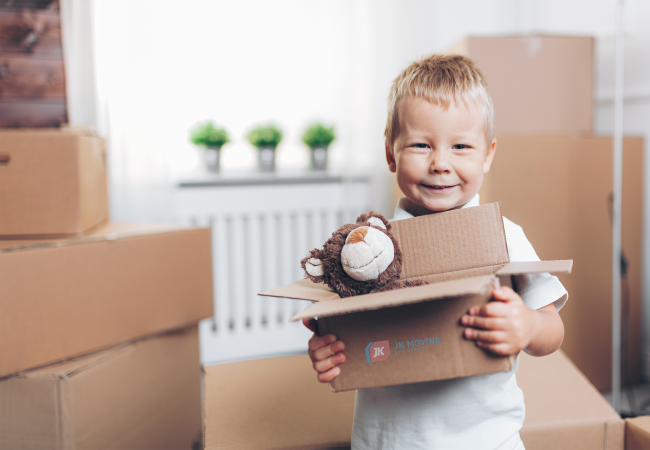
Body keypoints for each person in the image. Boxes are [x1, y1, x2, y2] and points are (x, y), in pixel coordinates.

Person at [302, 54, 567, 450]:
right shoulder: (365, 253)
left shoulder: (503, 236)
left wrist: (527, 326)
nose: (441, 163)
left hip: (489, 442)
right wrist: (328, 350)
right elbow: (341, 333)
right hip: (387, 442)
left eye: (461, 146)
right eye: (421, 145)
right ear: (391, 154)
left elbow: (553, 330)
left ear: (488, 154)